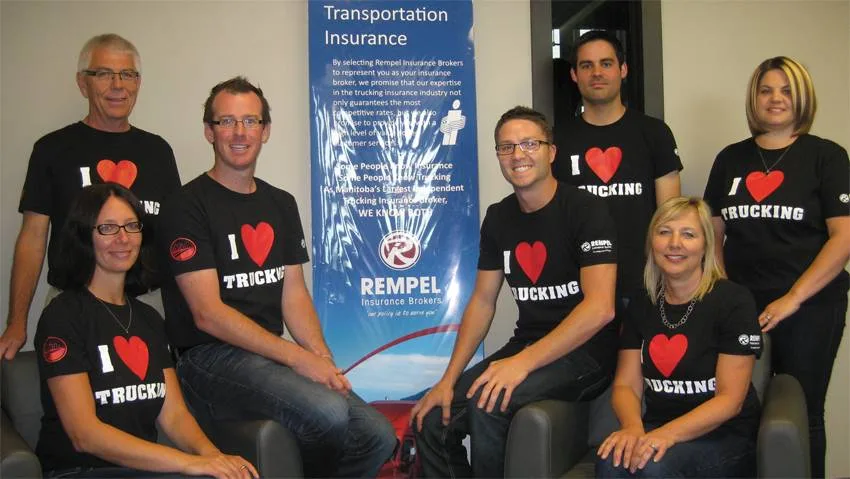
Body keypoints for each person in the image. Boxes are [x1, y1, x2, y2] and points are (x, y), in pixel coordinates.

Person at [158, 77, 396, 478]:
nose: (239, 132)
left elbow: (294, 294)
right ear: (209, 132)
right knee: (327, 412)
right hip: (208, 357)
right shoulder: (185, 205)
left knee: (378, 435)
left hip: (266, 354)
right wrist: (298, 359)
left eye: (250, 121)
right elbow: (207, 314)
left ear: (265, 131)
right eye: (227, 121)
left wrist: (321, 358)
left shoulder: (280, 203)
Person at [411, 106, 618, 478]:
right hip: (529, 343)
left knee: (490, 402)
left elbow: (600, 308)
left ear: (551, 152)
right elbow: (482, 301)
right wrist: (448, 380)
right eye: (506, 147)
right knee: (431, 419)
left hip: (587, 353)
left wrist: (523, 363)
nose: (517, 154)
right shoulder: (499, 217)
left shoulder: (586, 209)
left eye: (529, 144)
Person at [34, 183, 256, 479]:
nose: (123, 238)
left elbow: (174, 415)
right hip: (78, 470)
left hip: (143, 470)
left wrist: (214, 458)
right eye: (108, 228)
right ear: (84, 235)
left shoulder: (149, 319)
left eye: (131, 225)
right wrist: (187, 463)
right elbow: (84, 434)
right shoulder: (62, 316)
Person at [703, 56, 850, 478]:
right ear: (754, 98)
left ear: (802, 97)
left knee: (800, 412)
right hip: (743, 306)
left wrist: (792, 299)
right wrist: (728, 294)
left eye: (786, 90)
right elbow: (713, 233)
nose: (775, 99)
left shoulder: (826, 157)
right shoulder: (731, 159)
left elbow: (843, 238)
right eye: (766, 90)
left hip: (810, 307)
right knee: (740, 409)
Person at [0, 33, 181, 360]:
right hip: (73, 307)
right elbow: (32, 238)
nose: (118, 85)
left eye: (127, 74)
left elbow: (172, 237)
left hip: (147, 306)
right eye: (104, 74)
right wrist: (16, 323)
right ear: (83, 83)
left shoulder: (158, 151)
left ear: (138, 83)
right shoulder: (52, 149)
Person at [596, 197, 762, 478]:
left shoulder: (733, 301)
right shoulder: (643, 302)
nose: (675, 243)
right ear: (652, 243)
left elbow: (730, 400)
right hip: (658, 428)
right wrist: (633, 428)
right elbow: (626, 385)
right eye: (664, 232)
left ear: (706, 244)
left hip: (724, 437)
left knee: (652, 467)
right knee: (611, 462)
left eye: (688, 234)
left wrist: (667, 435)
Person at [553, 30, 681, 310]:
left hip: (644, 284)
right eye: (587, 65)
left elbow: (670, 216)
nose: (597, 73)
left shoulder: (654, 133)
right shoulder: (556, 140)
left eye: (606, 63)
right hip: (577, 285)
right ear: (574, 75)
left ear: (623, 70)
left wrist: (667, 277)